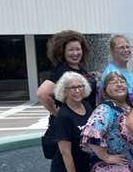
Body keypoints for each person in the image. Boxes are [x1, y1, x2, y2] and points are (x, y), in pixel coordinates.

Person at [36, 30, 97, 161]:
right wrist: (62, 115)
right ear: (62, 52)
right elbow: (43, 93)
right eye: (70, 50)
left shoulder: (79, 69)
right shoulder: (63, 71)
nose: (75, 53)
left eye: (78, 49)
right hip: (69, 133)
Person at [100, 35, 133, 104]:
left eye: (127, 47)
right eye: (121, 47)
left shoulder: (127, 72)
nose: (126, 50)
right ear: (112, 51)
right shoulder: (111, 72)